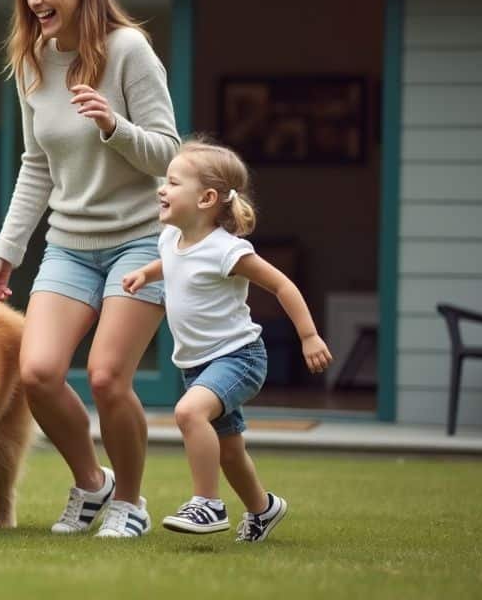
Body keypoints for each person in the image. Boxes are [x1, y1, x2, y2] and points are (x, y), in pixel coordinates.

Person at [0, 0, 181, 538]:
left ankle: (133, 503)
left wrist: (114, 126)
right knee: (36, 373)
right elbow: (35, 165)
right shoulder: (31, 61)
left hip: (140, 240)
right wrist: (5, 251)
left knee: (106, 377)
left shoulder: (129, 51)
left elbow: (169, 155)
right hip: (69, 244)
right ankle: (94, 485)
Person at [122, 139, 333, 542]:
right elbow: (170, 262)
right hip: (197, 364)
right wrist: (146, 276)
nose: (161, 190)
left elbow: (282, 285)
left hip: (239, 358)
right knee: (230, 451)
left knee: (188, 414)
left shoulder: (227, 250)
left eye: (172, 182)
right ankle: (263, 508)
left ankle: (207, 503)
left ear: (207, 198)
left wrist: (308, 336)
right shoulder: (171, 238)